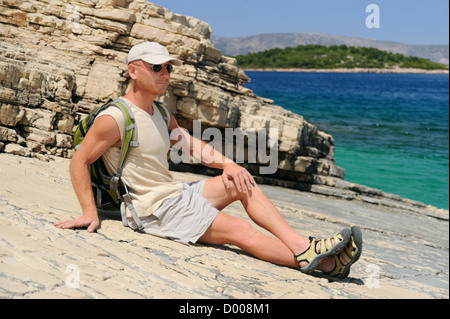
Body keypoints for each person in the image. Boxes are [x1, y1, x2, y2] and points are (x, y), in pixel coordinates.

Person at [55, 42, 362, 278]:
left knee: (240, 181)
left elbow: (191, 145)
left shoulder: (160, 113)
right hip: (153, 209)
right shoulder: (115, 118)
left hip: (175, 195)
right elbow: (78, 162)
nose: (166, 75)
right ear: (134, 71)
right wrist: (88, 212)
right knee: (240, 232)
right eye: (158, 67)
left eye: (169, 69)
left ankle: (302, 246)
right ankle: (325, 263)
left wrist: (229, 164)